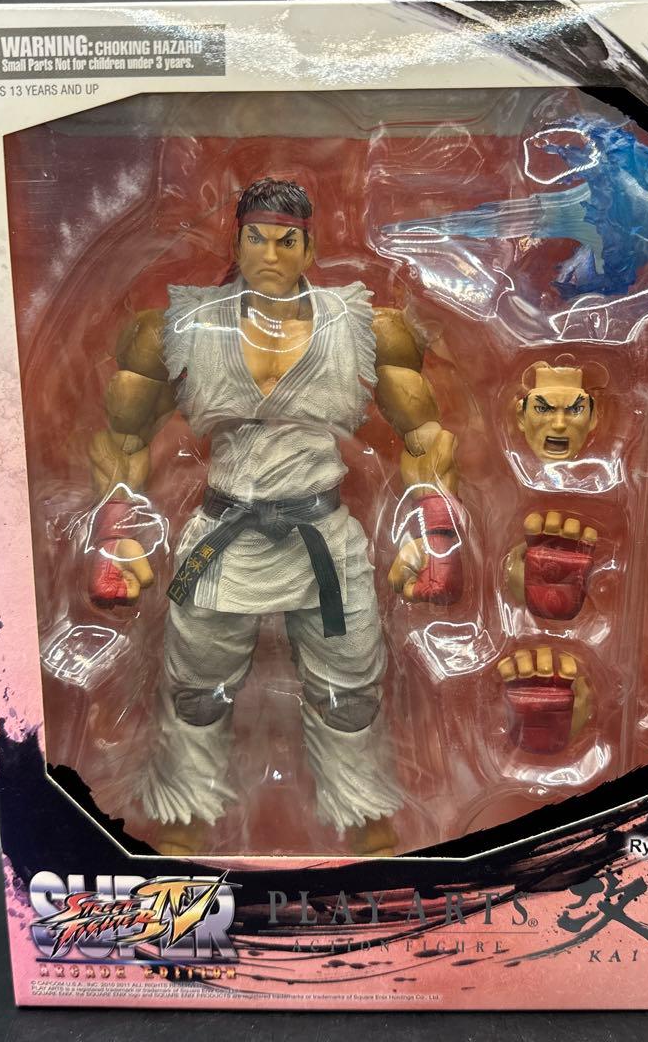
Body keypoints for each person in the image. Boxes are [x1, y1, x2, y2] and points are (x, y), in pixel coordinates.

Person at [86, 178, 464, 856]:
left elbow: (425, 437)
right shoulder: (176, 329)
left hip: (323, 538)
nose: (269, 253)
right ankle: (184, 813)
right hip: (223, 538)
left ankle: (363, 816)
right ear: (235, 242)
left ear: (309, 247)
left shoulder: (364, 327)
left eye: (286, 241)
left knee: (350, 690)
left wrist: (433, 531)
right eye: (256, 238)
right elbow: (124, 438)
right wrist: (116, 533)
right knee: (197, 689)